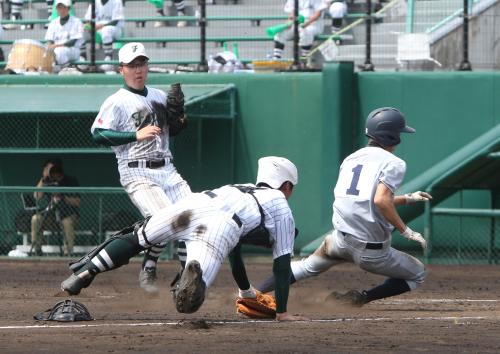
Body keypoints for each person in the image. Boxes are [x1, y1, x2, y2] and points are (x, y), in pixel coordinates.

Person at [61, 156, 307, 321]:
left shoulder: (240, 187)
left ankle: (88, 270)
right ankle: (191, 273)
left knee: (138, 237)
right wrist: (282, 312)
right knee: (190, 302)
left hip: (192, 204)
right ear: (286, 186)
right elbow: (282, 267)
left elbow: (236, 253)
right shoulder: (280, 204)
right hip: (220, 225)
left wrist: (246, 291)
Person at [257, 108, 431, 307]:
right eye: (398, 133)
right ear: (391, 136)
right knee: (418, 274)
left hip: (339, 240)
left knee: (304, 267)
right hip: (371, 252)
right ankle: (362, 298)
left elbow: (364, 199)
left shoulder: (352, 158)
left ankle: (250, 294)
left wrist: (408, 198)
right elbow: (380, 201)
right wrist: (406, 231)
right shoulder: (394, 163)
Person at [90, 42, 191, 294]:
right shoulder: (117, 101)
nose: (139, 70)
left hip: (167, 169)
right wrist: (135, 135)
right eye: (133, 65)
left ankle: (187, 276)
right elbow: (98, 134)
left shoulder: (158, 96)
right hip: (136, 170)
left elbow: (174, 130)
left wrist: (179, 119)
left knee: (192, 217)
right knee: (167, 220)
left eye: (142, 64)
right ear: (121, 69)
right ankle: (149, 263)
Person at [31, 158, 80, 256]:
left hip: (69, 215)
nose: (50, 171)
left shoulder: (70, 180)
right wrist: (43, 179)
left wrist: (63, 197)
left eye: (51, 169)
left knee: (67, 222)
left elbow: (77, 202)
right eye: (47, 169)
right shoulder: (46, 182)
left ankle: (68, 252)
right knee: (36, 218)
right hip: (51, 216)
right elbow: (37, 196)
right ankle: (37, 250)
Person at [80, 0, 124, 71]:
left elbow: (115, 21)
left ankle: (108, 60)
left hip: (114, 29)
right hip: (97, 29)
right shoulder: (95, 2)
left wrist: (101, 26)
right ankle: (83, 59)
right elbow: (88, 19)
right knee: (81, 30)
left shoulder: (116, 1)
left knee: (106, 30)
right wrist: (89, 26)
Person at [44, 0, 83, 68]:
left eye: (64, 7)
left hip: (73, 50)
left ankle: (66, 69)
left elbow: (72, 42)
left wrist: (56, 46)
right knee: (45, 52)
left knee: (60, 51)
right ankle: (65, 68)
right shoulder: (53, 23)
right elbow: (49, 40)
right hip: (57, 49)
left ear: (68, 8)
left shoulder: (77, 22)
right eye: (59, 8)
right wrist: (49, 45)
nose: (61, 10)